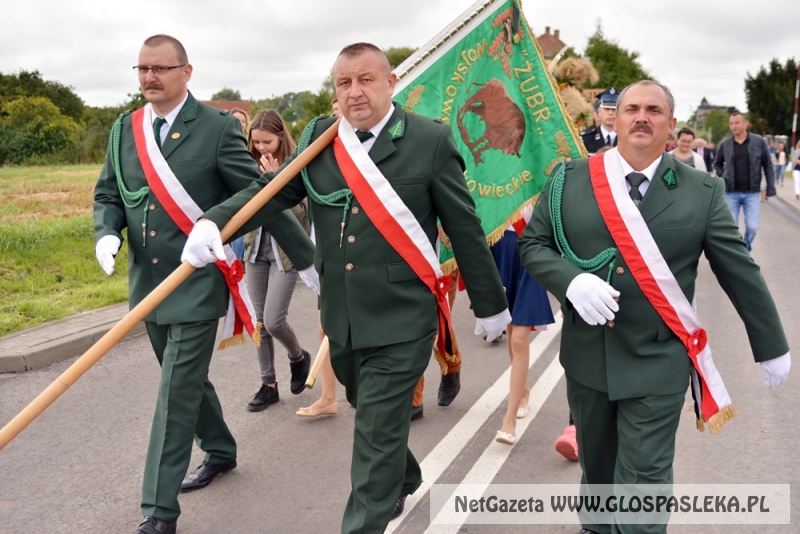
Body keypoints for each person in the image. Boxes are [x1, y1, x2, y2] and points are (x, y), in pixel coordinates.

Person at [181, 42, 510, 533]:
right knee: (374, 419)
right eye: (343, 83)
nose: (355, 92)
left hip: (402, 318)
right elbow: (269, 194)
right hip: (342, 319)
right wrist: (215, 222)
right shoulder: (321, 138)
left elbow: (463, 227)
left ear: (391, 82)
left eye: (366, 80)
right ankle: (404, 476)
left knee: (375, 435)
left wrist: (490, 305)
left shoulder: (428, 141)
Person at [518, 80, 791, 534]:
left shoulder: (701, 190)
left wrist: (771, 344)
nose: (641, 117)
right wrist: (573, 282)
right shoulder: (570, 178)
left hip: (657, 360)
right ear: (616, 117)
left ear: (670, 124)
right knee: (600, 476)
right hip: (590, 356)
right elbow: (535, 244)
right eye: (631, 108)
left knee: (643, 482)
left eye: (654, 110)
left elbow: (739, 270)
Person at [93, 35, 315, 534]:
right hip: (147, 286)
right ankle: (221, 449)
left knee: (174, 393)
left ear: (186, 72)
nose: (150, 78)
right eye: (142, 69)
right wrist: (106, 231)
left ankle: (158, 510)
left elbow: (257, 197)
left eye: (161, 69)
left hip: (195, 284)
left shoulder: (215, 129)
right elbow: (109, 192)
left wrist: (304, 257)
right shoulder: (123, 130)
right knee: (186, 382)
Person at [242, 109, 312, 411]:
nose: (261, 148)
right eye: (256, 142)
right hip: (254, 250)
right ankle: (268, 384)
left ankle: (298, 356)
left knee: (273, 321)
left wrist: (274, 181)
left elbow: (301, 215)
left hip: (285, 253)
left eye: (267, 142)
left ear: (280, 137)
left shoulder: (298, 165)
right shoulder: (247, 165)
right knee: (258, 324)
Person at [492, 218, 555, 446]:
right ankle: (523, 391)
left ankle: (509, 422)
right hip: (501, 244)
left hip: (532, 247)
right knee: (510, 326)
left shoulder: (544, 180)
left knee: (519, 336)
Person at [713, 112, 775, 252]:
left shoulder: (758, 142)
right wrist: (723, 177)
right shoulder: (725, 144)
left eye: (737, 123)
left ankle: (745, 249)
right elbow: (717, 164)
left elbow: (768, 165)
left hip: (752, 192)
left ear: (745, 123)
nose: (733, 126)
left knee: (753, 227)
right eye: (731, 123)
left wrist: (771, 187)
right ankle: (737, 254)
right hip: (731, 193)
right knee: (731, 227)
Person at [580, 87, 619, 155]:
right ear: (599, 111)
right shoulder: (585, 139)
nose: (610, 113)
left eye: (614, 109)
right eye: (607, 109)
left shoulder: (628, 139)